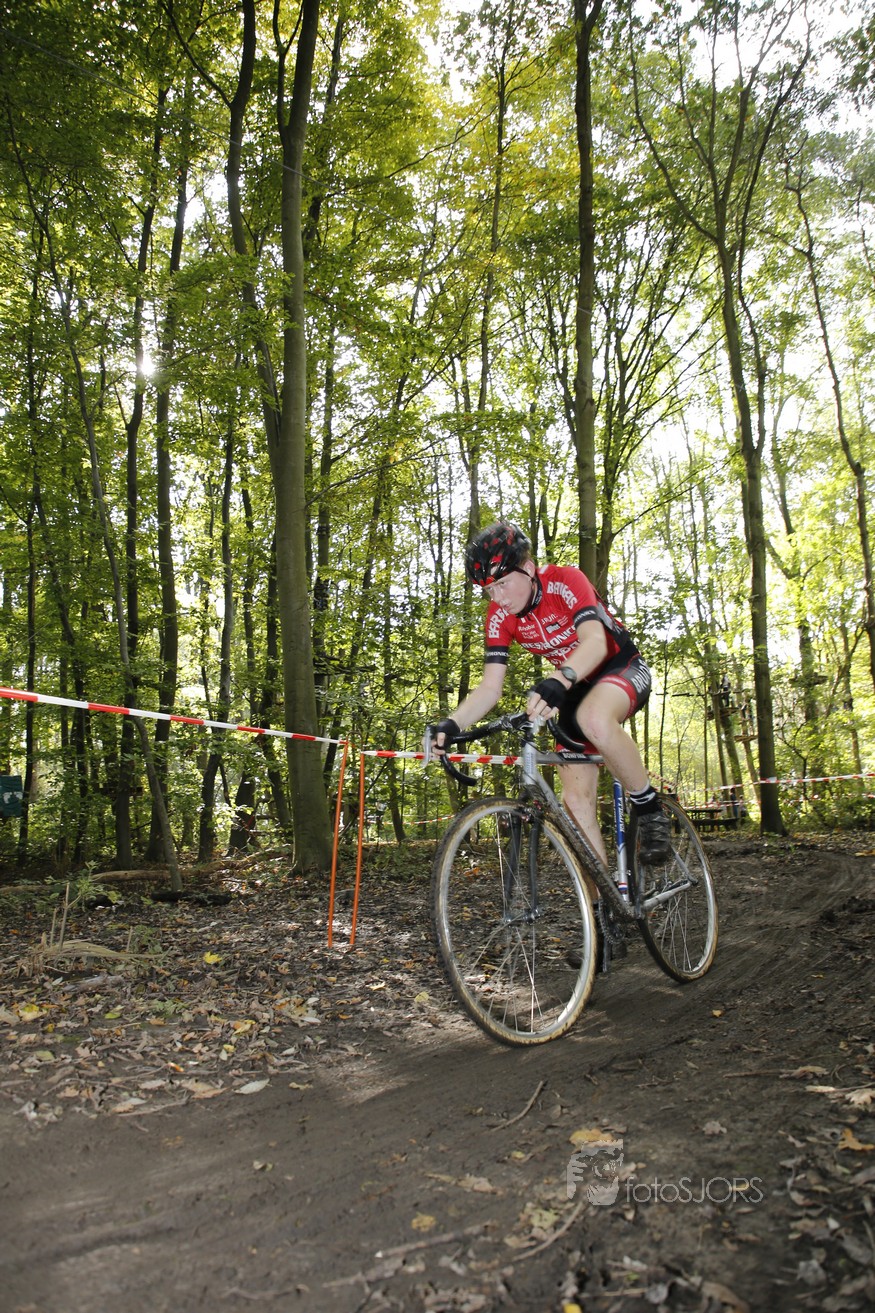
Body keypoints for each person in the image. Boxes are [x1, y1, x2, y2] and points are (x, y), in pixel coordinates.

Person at [428, 522, 671, 867]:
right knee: (575, 801)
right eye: (488, 590)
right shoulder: (499, 616)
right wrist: (452, 723)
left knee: (593, 718)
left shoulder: (565, 580)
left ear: (528, 569)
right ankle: (601, 897)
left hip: (621, 666)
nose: (498, 598)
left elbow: (595, 642)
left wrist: (561, 676)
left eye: (501, 584)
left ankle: (649, 809)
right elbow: (490, 687)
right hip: (575, 687)